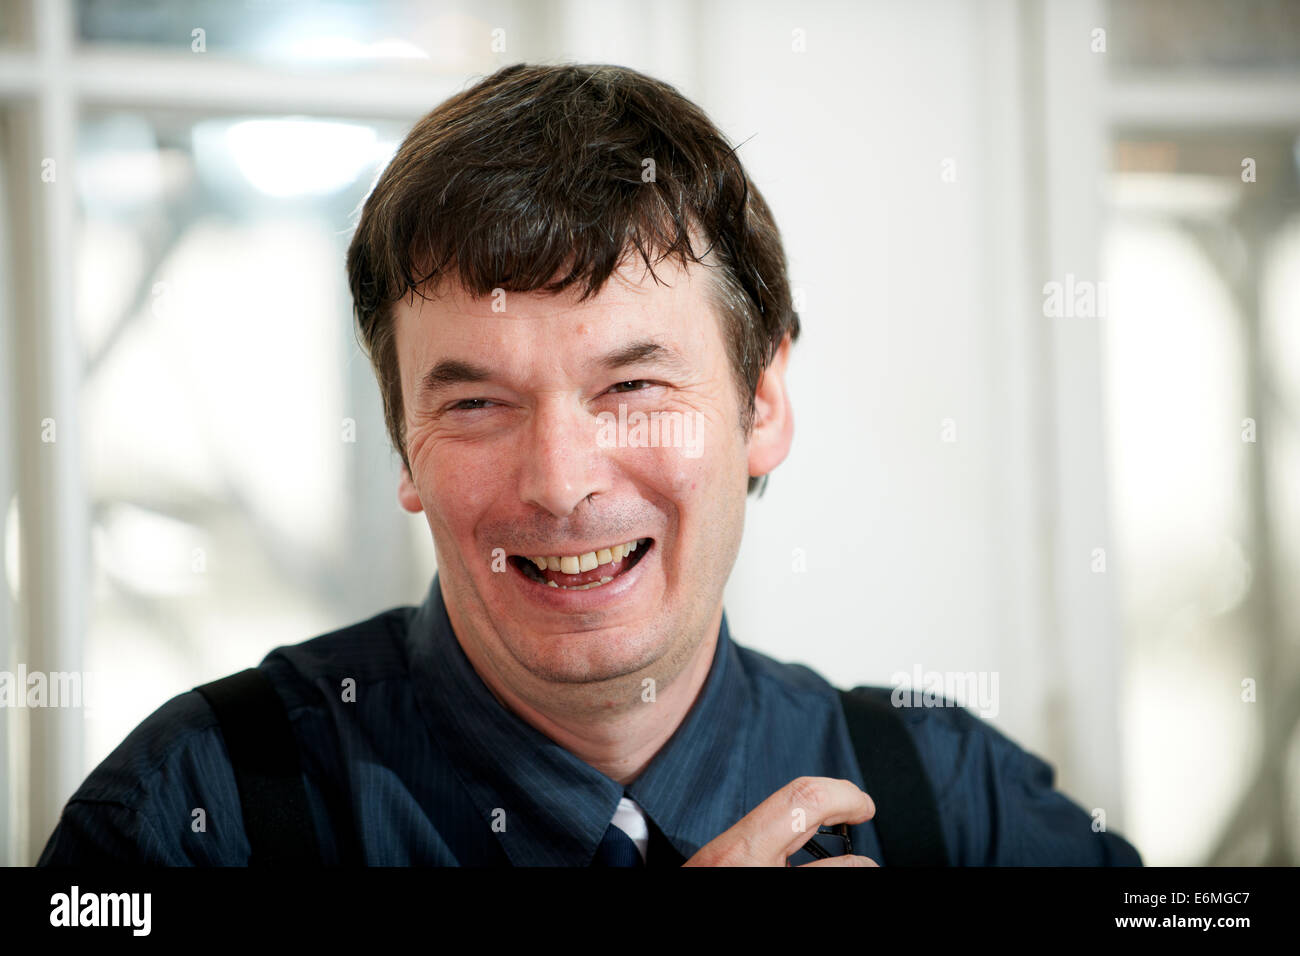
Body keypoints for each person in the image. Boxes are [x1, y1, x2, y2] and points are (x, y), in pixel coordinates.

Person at [38, 62, 1141, 867]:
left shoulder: (954, 801)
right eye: (475, 401)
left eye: (634, 388)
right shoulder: (194, 812)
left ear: (761, 401)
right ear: (402, 439)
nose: (561, 482)